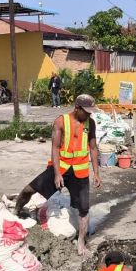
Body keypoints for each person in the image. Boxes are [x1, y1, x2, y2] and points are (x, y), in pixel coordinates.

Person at [15, 94, 102, 255]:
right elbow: (55, 148)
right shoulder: (61, 121)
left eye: (91, 111)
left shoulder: (90, 123)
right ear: (77, 108)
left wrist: (96, 173)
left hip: (80, 171)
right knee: (28, 190)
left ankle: (81, 242)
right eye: (86, 111)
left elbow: (93, 148)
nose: (89, 114)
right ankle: (16, 211)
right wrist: (56, 174)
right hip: (60, 168)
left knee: (84, 209)